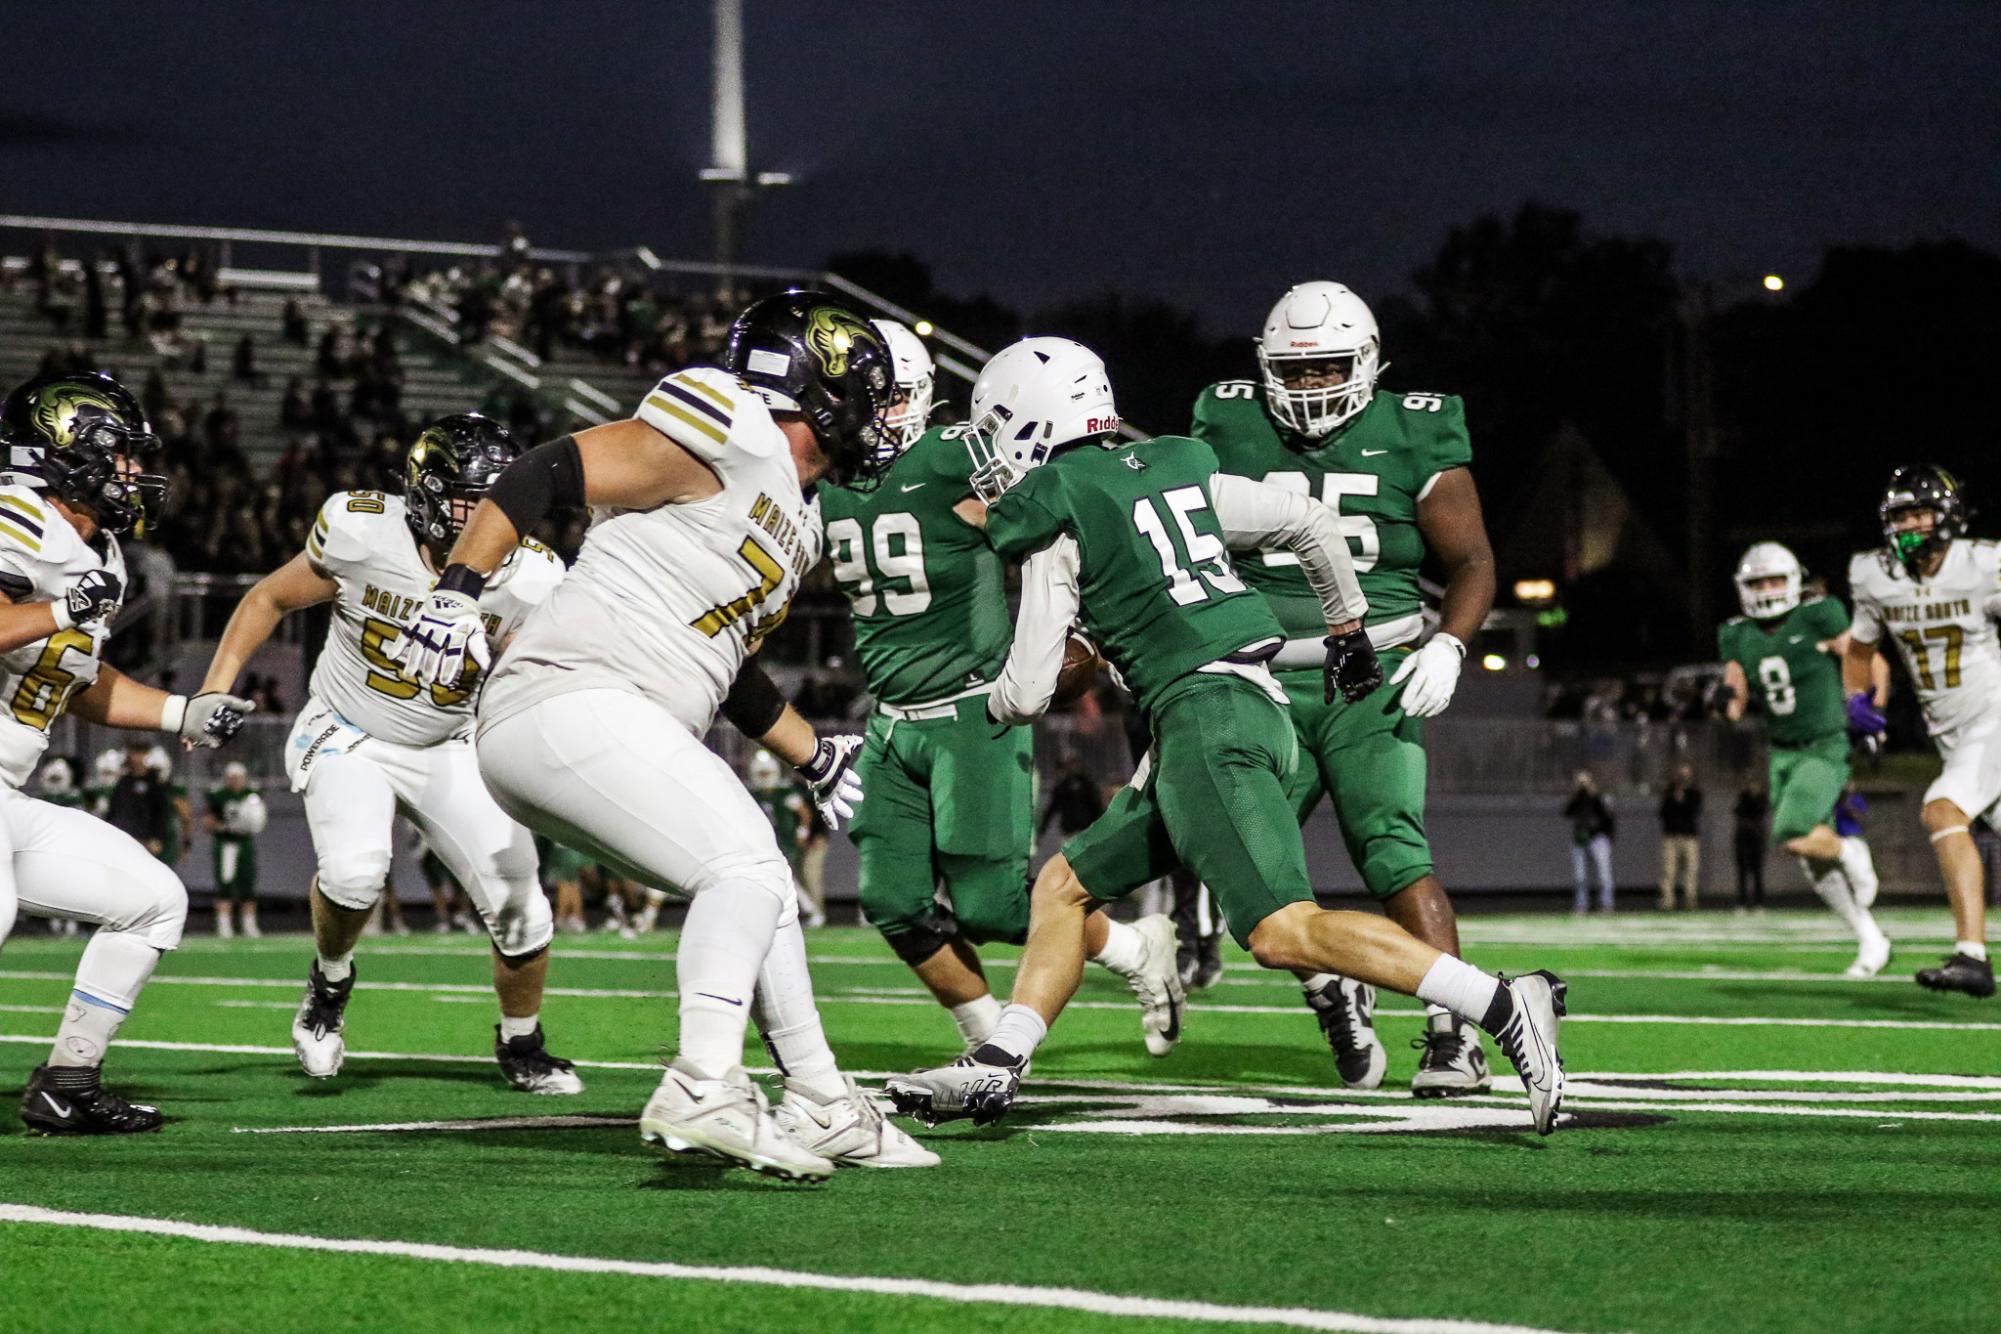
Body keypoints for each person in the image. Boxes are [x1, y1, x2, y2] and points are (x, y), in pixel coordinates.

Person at [885, 337, 1567, 1135]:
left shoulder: (1055, 505)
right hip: (1255, 705)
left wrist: (976, 707)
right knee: (1062, 887)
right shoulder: (1172, 463)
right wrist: (1346, 628)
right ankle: (999, 1061)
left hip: (1205, 721)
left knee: (1282, 933)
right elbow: (1308, 520)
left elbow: (1030, 689)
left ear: (1026, 423)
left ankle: (1498, 1000)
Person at [391, 291, 936, 1177]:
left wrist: (813, 754)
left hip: (605, 716)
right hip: (569, 695)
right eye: (871, 393)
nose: (882, 418)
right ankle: (704, 1080)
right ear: (822, 386)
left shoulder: (797, 515)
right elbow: (543, 472)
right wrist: (459, 587)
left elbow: (724, 663)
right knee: (747, 866)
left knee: (761, 897)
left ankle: (823, 1099)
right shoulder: (735, 426)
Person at [818, 317, 1177, 1053]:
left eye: (890, 398)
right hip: (888, 720)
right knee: (890, 901)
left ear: (921, 399)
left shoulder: (959, 457)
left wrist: (1086, 631)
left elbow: (1059, 521)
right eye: (861, 397)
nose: (874, 413)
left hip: (972, 709)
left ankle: (1136, 949)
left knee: (991, 904)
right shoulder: (820, 476)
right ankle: (983, 1039)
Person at [201, 413, 585, 1092]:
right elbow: (268, 597)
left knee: (524, 906)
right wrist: (213, 687)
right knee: (354, 872)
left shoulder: (531, 577)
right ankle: (329, 983)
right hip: (350, 731)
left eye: (504, 502)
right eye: (473, 501)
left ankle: (521, 1042)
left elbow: (544, 676)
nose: (494, 518)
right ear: (429, 496)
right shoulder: (363, 531)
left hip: (450, 741)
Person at [1192, 280, 1498, 1096]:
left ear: (1364, 362)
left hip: (1372, 673)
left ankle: (1453, 1032)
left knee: (1392, 852)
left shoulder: (1416, 428)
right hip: (1258, 678)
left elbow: (1470, 561)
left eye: (1327, 368)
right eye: (1292, 373)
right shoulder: (1225, 418)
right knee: (1248, 872)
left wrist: (1452, 646)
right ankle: (1332, 985)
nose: (1309, 389)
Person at [0, 370, 252, 1132]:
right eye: (120, 456)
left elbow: (77, 676)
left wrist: (183, 709)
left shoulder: (95, 551)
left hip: (6, 790)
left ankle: (67, 1083)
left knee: (151, 901)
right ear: (61, 452)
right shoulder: (12, 513)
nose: (133, 474)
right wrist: (59, 608)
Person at [1844, 466, 1995, 996]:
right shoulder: (1874, 574)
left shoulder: (1984, 565)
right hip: (1950, 732)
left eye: (1919, 513)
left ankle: (1972, 955)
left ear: (1948, 515)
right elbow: (1860, 650)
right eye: (1900, 516)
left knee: (1942, 808)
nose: (1910, 526)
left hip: (1994, 715)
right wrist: (1858, 700)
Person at [1719, 542, 1888, 972]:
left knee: (1792, 832)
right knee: (1812, 861)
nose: (1768, 588)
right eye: (1759, 582)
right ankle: (1870, 938)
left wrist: (1873, 712)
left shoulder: (1817, 614)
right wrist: (1720, 703)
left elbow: (1873, 662)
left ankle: (1852, 852)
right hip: (1781, 752)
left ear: (1794, 580)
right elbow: (1734, 703)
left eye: (1776, 579)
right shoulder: (1737, 634)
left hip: (1824, 743)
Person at [745, 749, 816, 927]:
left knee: (785, 877)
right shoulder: (752, 792)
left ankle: (808, 910)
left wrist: (802, 832)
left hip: (784, 840)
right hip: (762, 843)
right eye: (761, 773)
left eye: (766, 772)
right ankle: (807, 910)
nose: (764, 776)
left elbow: (804, 813)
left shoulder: (785, 791)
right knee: (782, 878)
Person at [204, 760, 267, 939]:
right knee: (225, 885)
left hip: (245, 842)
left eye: (239, 778)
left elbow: (259, 818)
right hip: (226, 844)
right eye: (232, 778)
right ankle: (224, 925)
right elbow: (208, 821)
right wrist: (222, 827)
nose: (236, 781)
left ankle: (249, 925)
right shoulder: (219, 795)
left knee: (248, 885)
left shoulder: (251, 795)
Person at [104, 740, 171, 859]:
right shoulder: (124, 781)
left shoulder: (154, 782)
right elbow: (115, 809)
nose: (135, 758)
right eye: (133, 753)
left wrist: (157, 837)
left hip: (146, 839)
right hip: (124, 837)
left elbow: (161, 811)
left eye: (140, 753)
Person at [1564, 772, 1615, 913]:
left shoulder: (1599, 797)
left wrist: (1594, 794)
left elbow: (1607, 816)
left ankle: (1607, 905)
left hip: (1598, 838)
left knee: (1604, 874)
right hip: (1580, 839)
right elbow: (1567, 812)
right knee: (1580, 876)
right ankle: (1581, 905)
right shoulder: (1577, 798)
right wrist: (1576, 794)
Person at [1657, 763, 1703, 911]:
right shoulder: (1669, 792)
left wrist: (1682, 800)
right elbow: (1662, 812)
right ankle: (1667, 900)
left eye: (1686, 774)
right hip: (1671, 836)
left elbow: (1694, 810)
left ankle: (1690, 900)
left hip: (1689, 837)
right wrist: (1674, 797)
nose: (1683, 778)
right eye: (1681, 774)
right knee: (1668, 870)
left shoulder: (1695, 792)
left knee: (1691, 870)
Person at [1733, 777, 1769, 913]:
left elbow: (1761, 810)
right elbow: (1737, 811)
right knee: (1742, 873)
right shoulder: (1742, 797)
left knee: (1758, 872)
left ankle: (1759, 903)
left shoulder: (1762, 798)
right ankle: (1741, 903)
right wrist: (1746, 795)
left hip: (1757, 839)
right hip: (1742, 840)